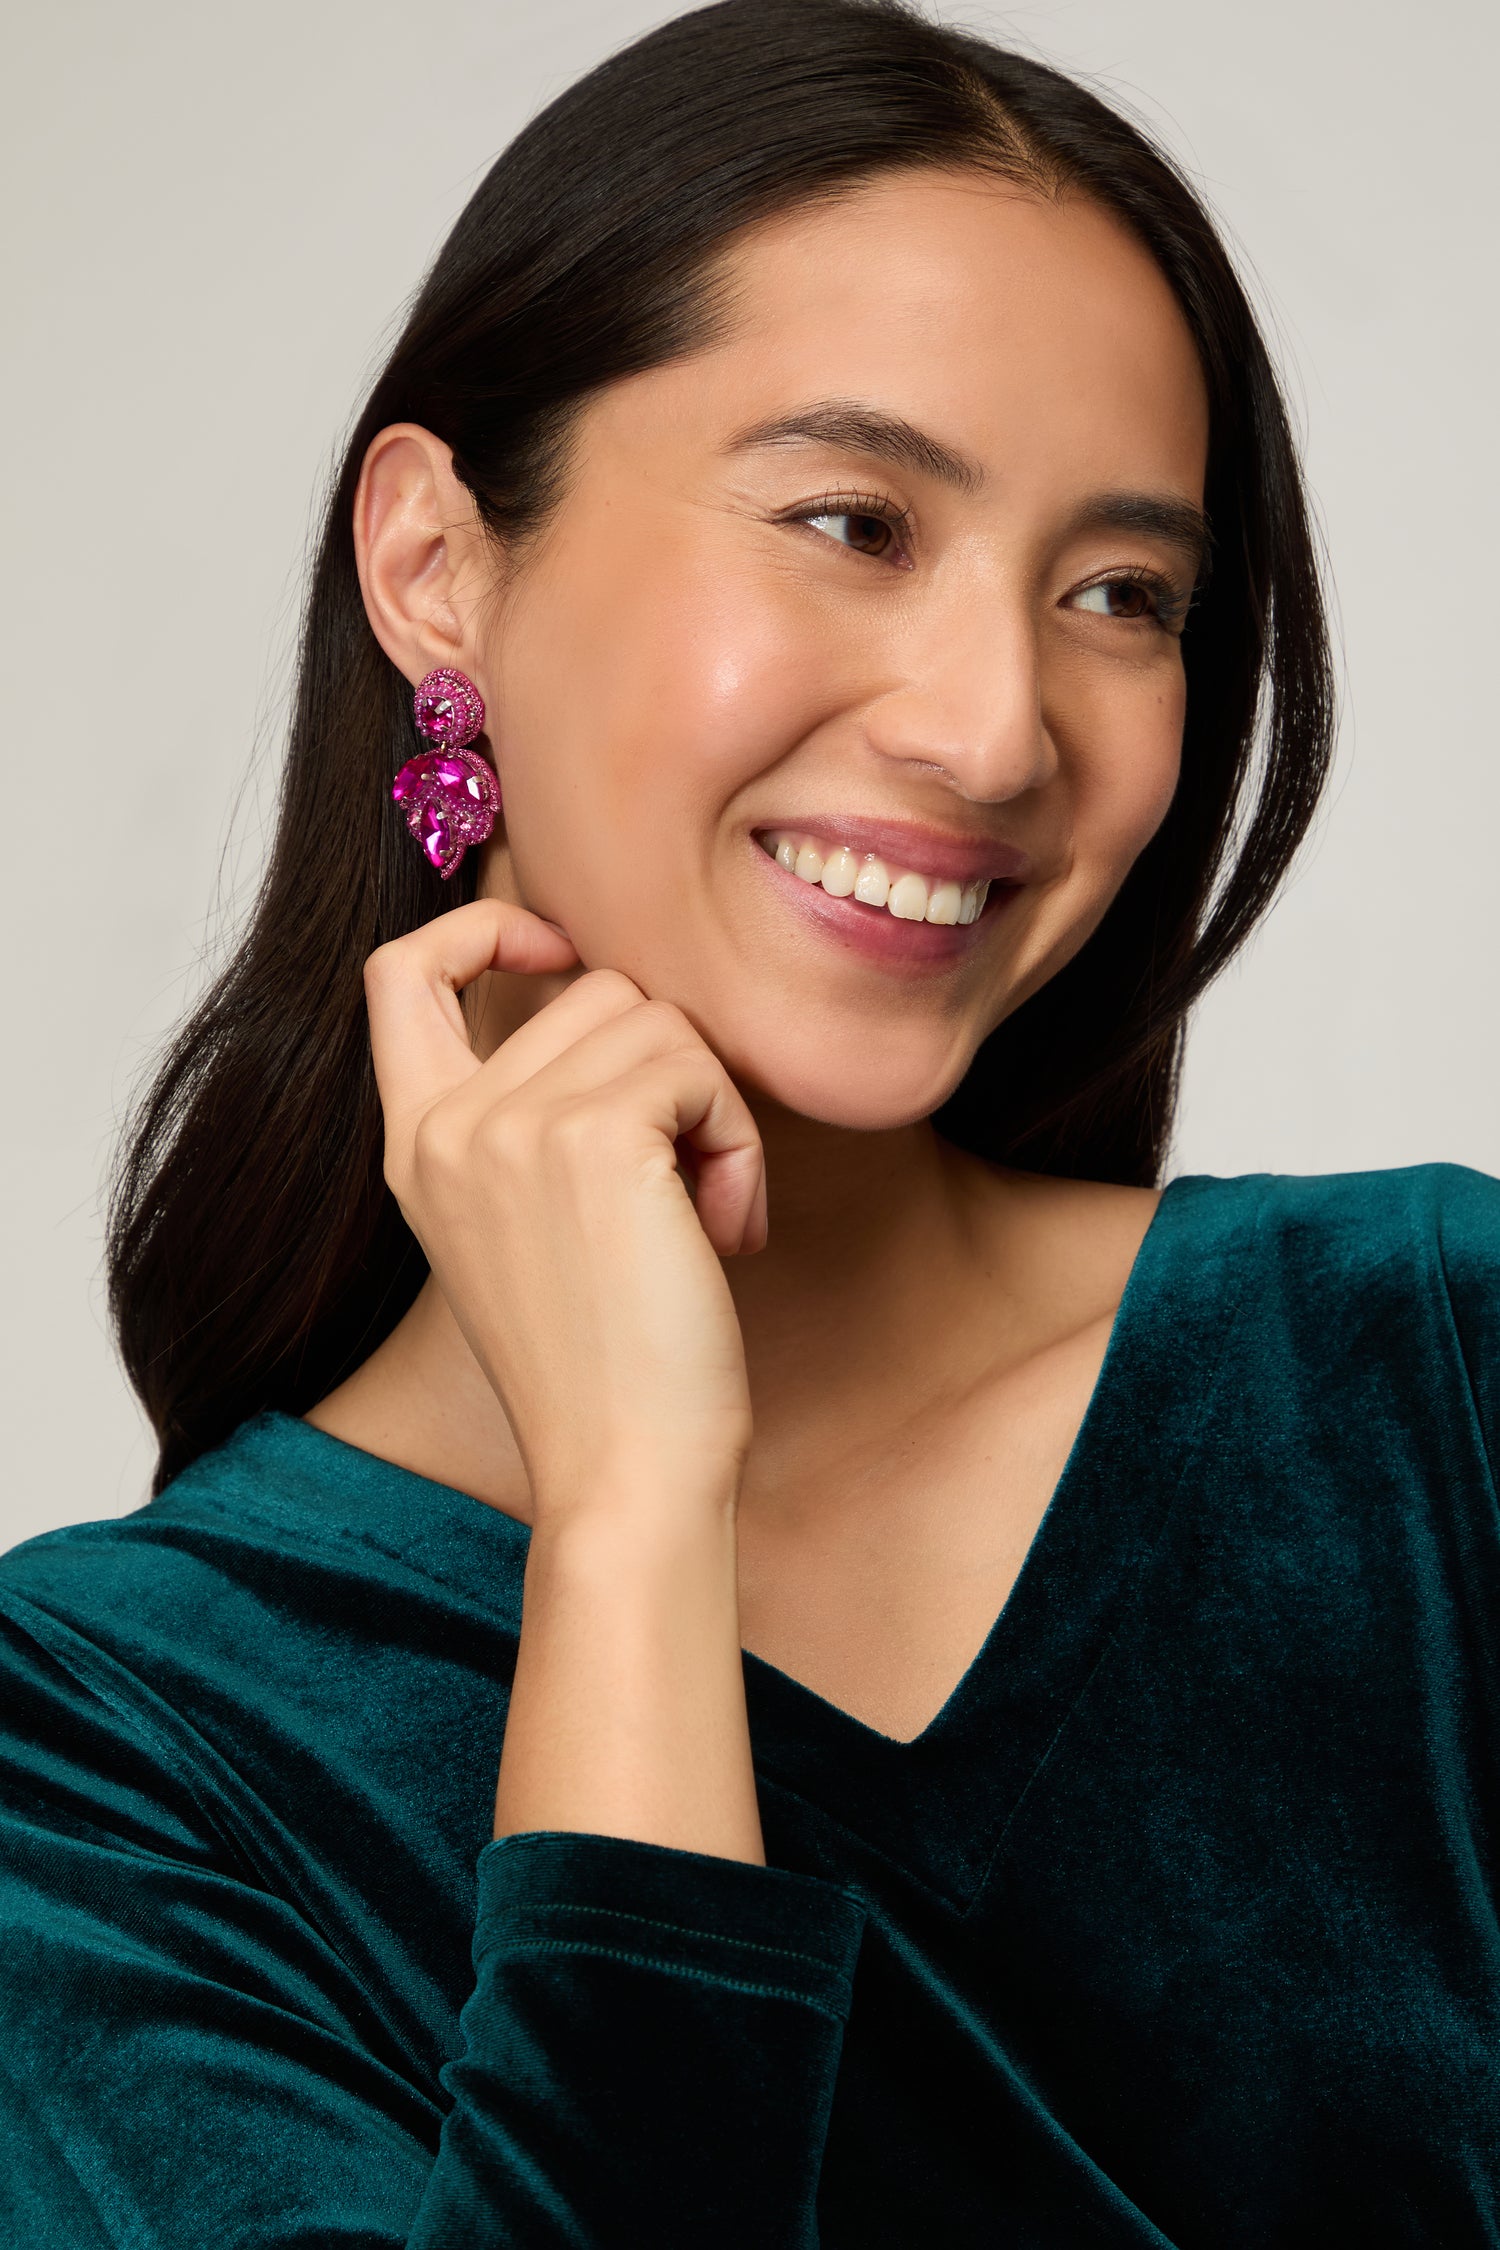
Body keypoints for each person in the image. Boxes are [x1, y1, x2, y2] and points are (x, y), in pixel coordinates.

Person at [4, 0, 1497, 2241]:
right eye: (850, 518)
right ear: (435, 563)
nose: (999, 731)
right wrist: (628, 1517)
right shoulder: (117, 1753)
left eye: (1122, 594)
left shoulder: (1425, 1381)